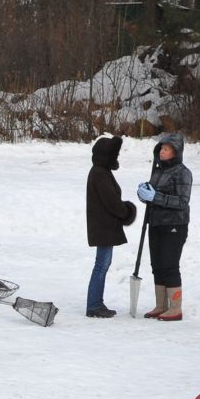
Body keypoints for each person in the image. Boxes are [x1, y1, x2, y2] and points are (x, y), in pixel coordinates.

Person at [138, 134, 192, 321]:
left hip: (175, 224)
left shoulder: (182, 172)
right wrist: (144, 194)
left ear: (175, 152)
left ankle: (175, 308)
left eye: (166, 149)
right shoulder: (158, 170)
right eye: (161, 148)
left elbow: (182, 201)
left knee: (169, 264)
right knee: (157, 265)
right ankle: (161, 305)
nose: (162, 152)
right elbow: (153, 194)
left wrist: (156, 197)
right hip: (156, 223)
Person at [83, 135, 136, 318]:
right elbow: (112, 202)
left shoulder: (101, 171)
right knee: (101, 265)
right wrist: (127, 212)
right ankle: (94, 305)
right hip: (103, 227)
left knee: (102, 264)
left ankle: (96, 303)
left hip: (103, 227)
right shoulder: (99, 173)